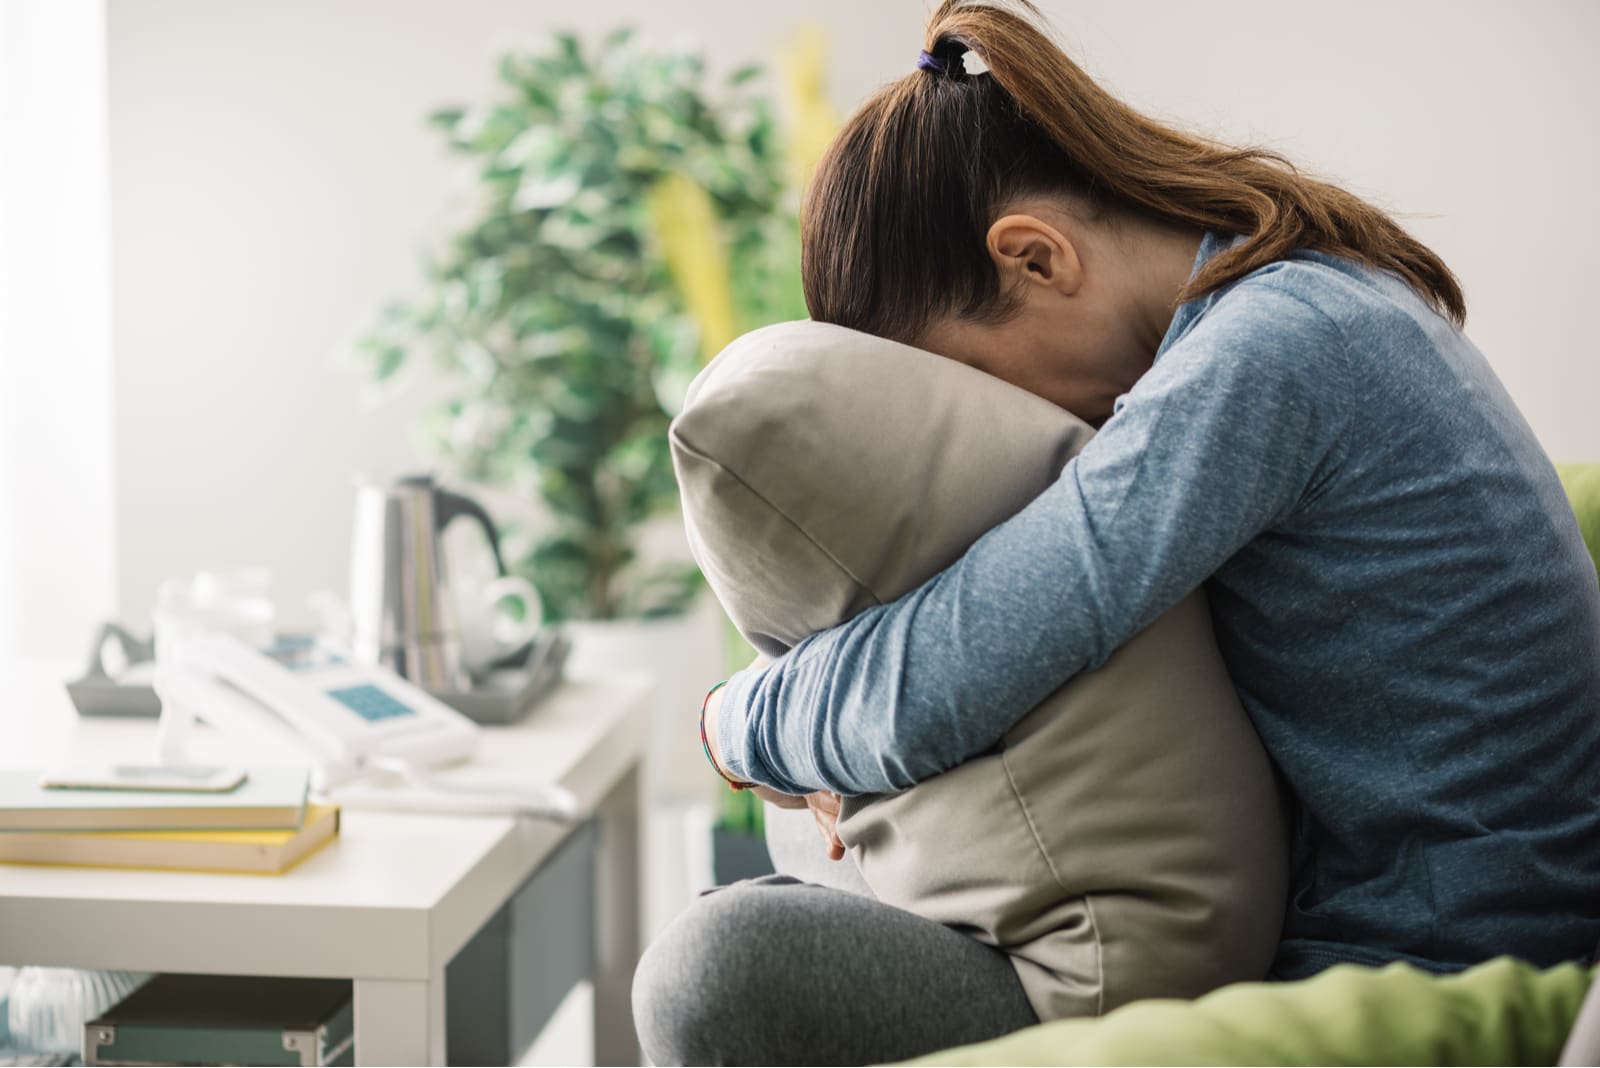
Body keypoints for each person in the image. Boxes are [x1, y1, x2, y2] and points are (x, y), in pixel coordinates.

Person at [632, 1, 1600, 1064]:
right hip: (1412, 927)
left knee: (720, 968)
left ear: (1035, 260)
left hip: (1429, 973)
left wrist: (731, 725)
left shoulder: (1270, 354)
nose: (1031, 430)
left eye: (976, 383)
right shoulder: (1324, 301)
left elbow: (951, 669)